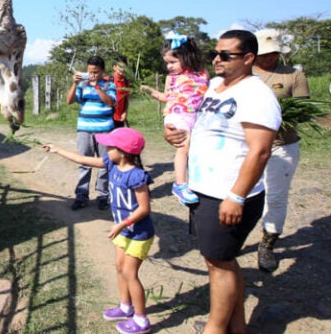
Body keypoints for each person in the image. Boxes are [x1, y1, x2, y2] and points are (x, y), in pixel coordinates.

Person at [165, 29, 280, 334]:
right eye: (216, 53)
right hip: (204, 191)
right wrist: (176, 134)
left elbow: (260, 151)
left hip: (227, 195)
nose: (217, 60)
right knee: (220, 261)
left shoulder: (256, 95)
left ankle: (214, 329)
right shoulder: (216, 86)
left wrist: (237, 197)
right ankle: (237, 326)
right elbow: (203, 126)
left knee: (219, 264)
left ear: (248, 58)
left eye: (226, 55)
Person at [43, 127, 154, 334]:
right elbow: (83, 160)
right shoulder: (111, 164)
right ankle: (125, 307)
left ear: (123, 151)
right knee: (120, 268)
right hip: (123, 231)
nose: (106, 148)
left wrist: (122, 224)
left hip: (138, 233)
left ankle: (141, 320)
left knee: (130, 274)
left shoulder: (137, 176)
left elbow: (144, 208)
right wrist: (57, 150)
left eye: (110, 146)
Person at [253, 29, 310, 272]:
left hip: (282, 146)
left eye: (273, 53)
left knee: (275, 196)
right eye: (264, 54)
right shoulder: (244, 75)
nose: (269, 58)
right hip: (247, 145)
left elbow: (303, 108)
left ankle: (267, 243)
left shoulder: (293, 76)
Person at [140, 32, 208, 205]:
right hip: (177, 114)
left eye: (172, 62)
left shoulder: (202, 74)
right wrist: (151, 91)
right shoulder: (172, 78)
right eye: (167, 63)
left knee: (195, 149)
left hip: (196, 115)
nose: (169, 67)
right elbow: (167, 97)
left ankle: (193, 182)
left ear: (187, 56)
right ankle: (180, 184)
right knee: (184, 146)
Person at [66, 55, 117, 210]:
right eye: (90, 72)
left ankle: (103, 195)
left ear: (102, 71)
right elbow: (69, 101)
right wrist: (75, 84)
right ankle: (81, 196)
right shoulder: (83, 84)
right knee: (84, 163)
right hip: (85, 129)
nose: (92, 75)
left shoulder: (109, 85)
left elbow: (110, 102)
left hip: (105, 130)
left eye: (95, 72)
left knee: (105, 164)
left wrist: (97, 87)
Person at [110, 55, 132, 128]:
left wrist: (125, 112)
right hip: (108, 117)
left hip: (120, 118)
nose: (122, 69)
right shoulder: (108, 80)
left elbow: (126, 100)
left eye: (124, 67)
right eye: (120, 67)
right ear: (114, 67)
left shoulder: (126, 83)